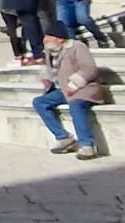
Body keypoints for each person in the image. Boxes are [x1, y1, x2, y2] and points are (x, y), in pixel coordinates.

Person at [31, 30, 108, 160]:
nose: (45, 40)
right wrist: (46, 78)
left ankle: (87, 145)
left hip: (84, 88)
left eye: (49, 37)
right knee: (39, 102)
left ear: (60, 39)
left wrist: (74, 85)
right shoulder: (51, 51)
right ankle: (63, 137)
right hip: (64, 90)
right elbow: (48, 69)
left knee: (76, 104)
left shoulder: (77, 47)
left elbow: (89, 69)